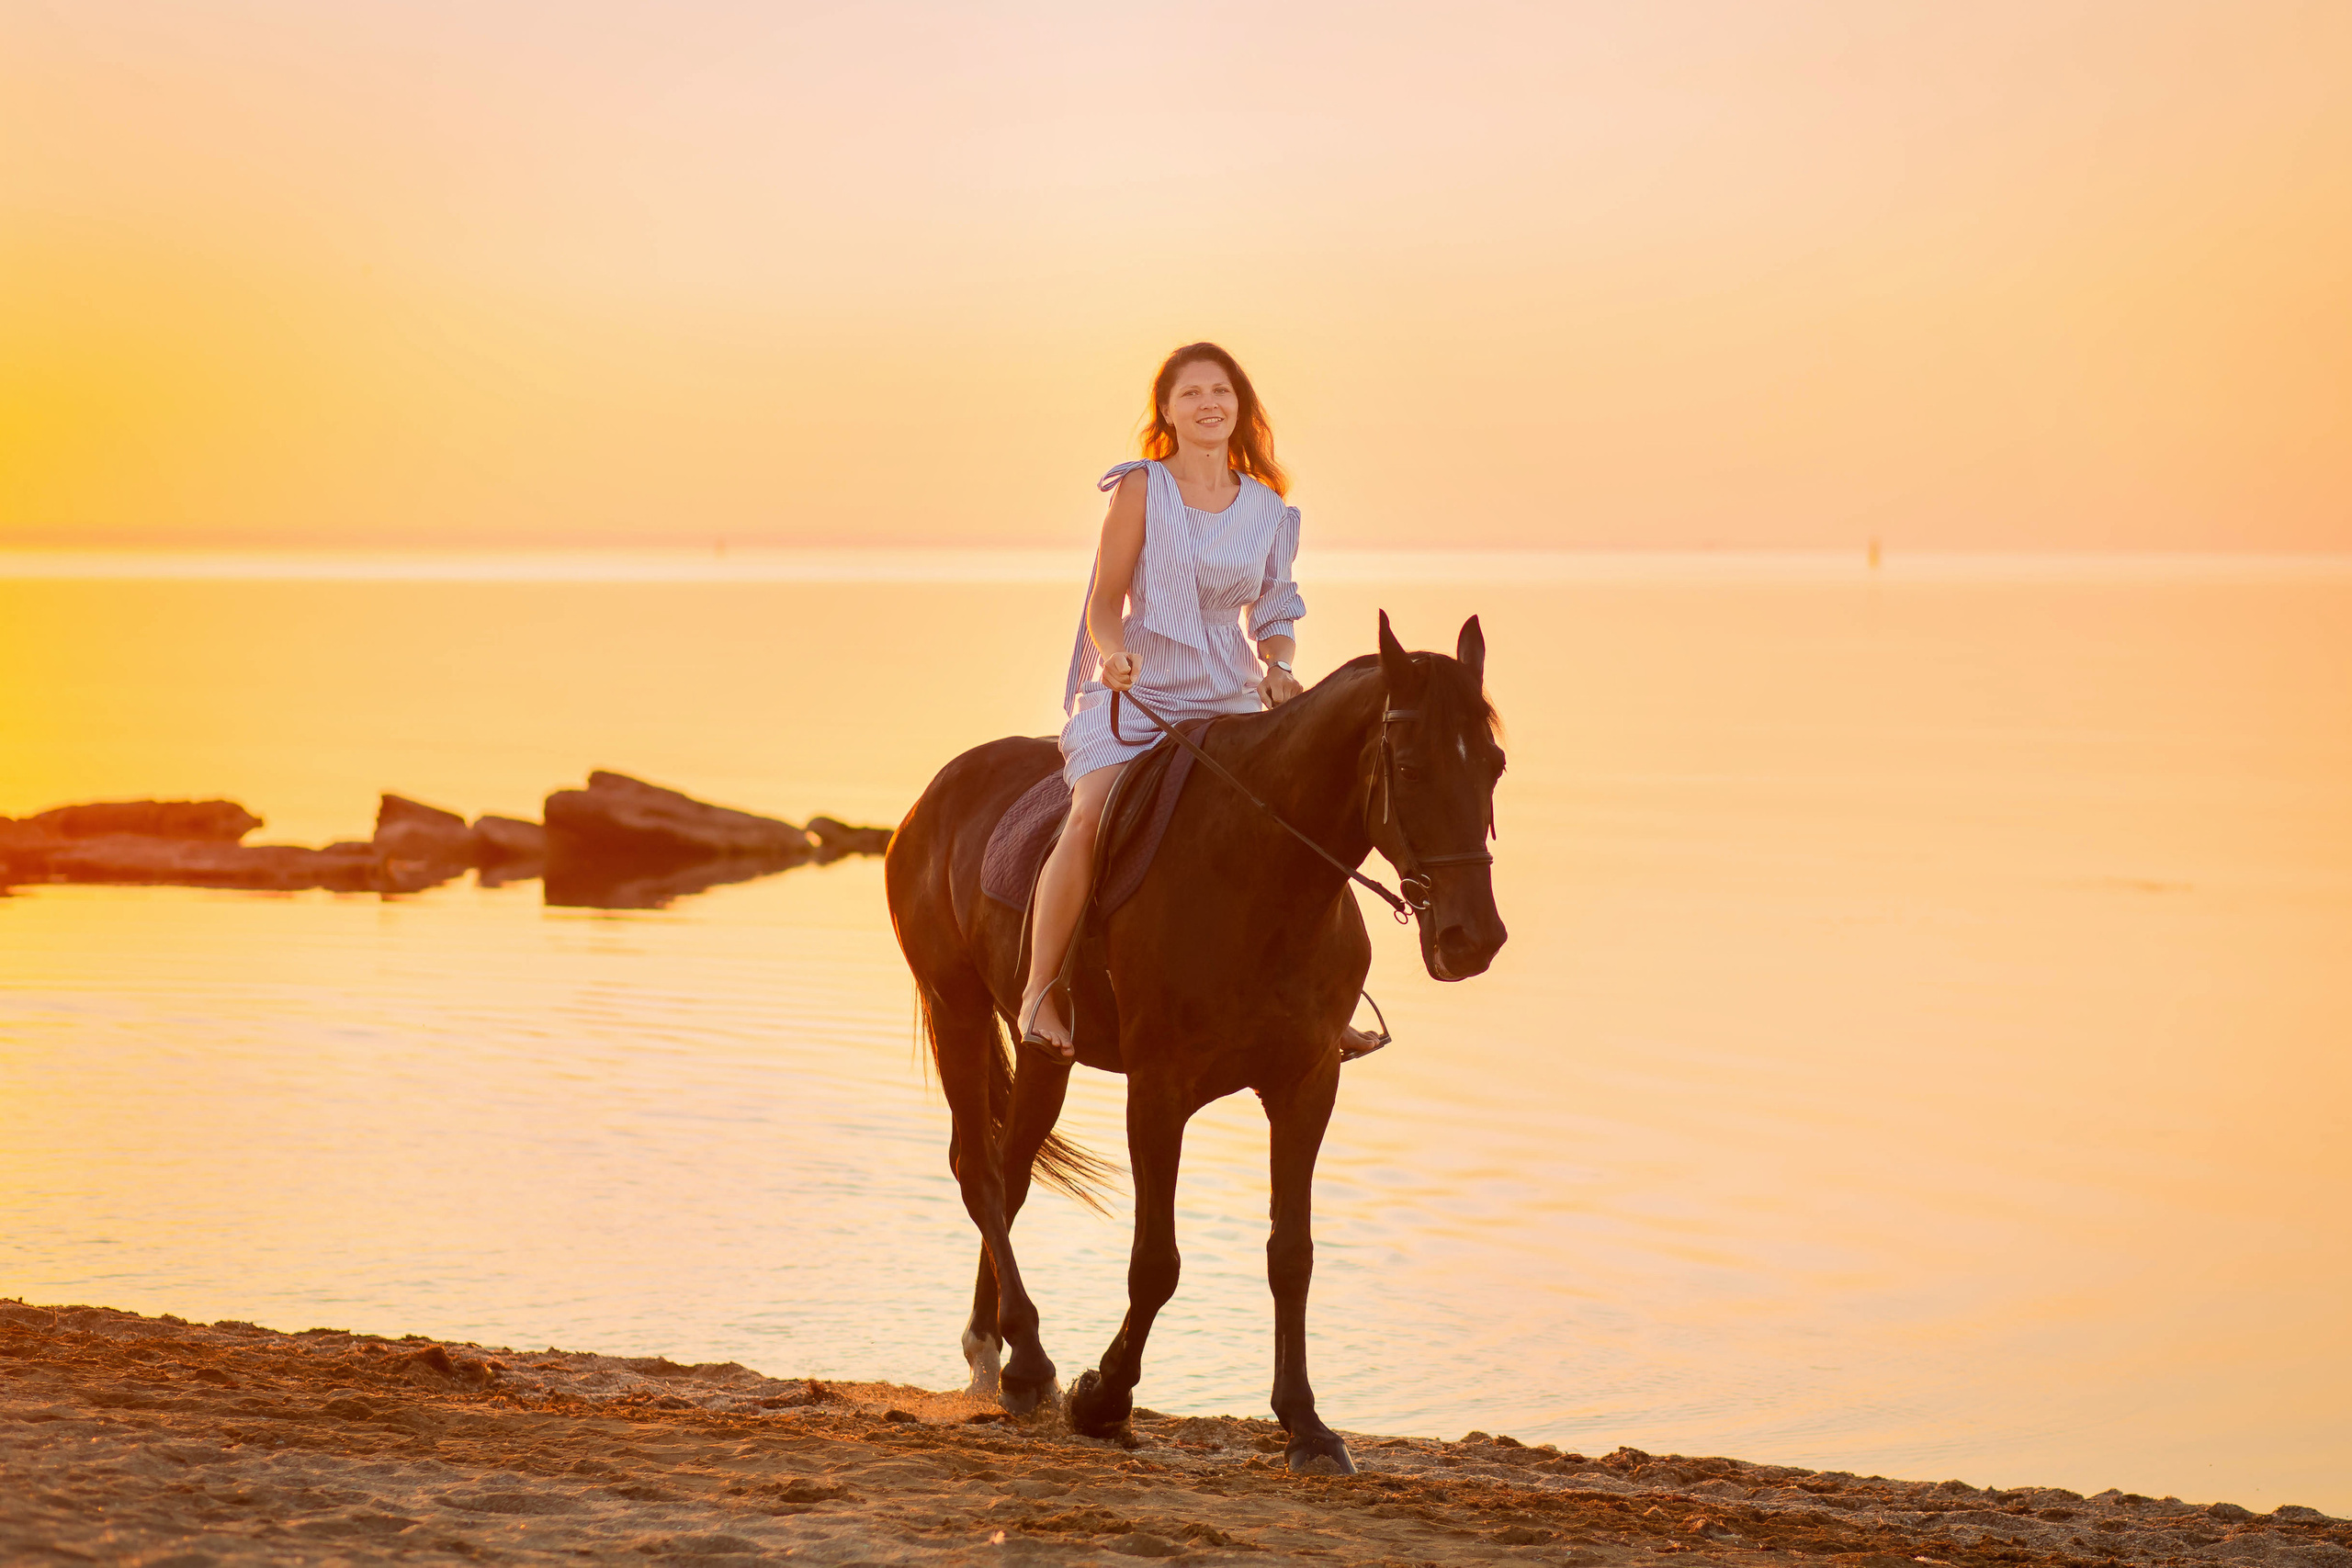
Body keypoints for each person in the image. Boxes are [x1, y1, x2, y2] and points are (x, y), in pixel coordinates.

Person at [1017, 342, 1306, 1059]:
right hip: (1139, 694)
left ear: (1240, 408)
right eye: (1192, 394)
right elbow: (1103, 604)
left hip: (1230, 696)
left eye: (1222, 392)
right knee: (1089, 816)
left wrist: (1279, 665)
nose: (1210, 404)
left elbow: (1274, 612)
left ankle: (1312, 987)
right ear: (1168, 411)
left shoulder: (1267, 509)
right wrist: (1113, 656)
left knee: (1298, 816)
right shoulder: (1142, 487)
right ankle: (1039, 990)